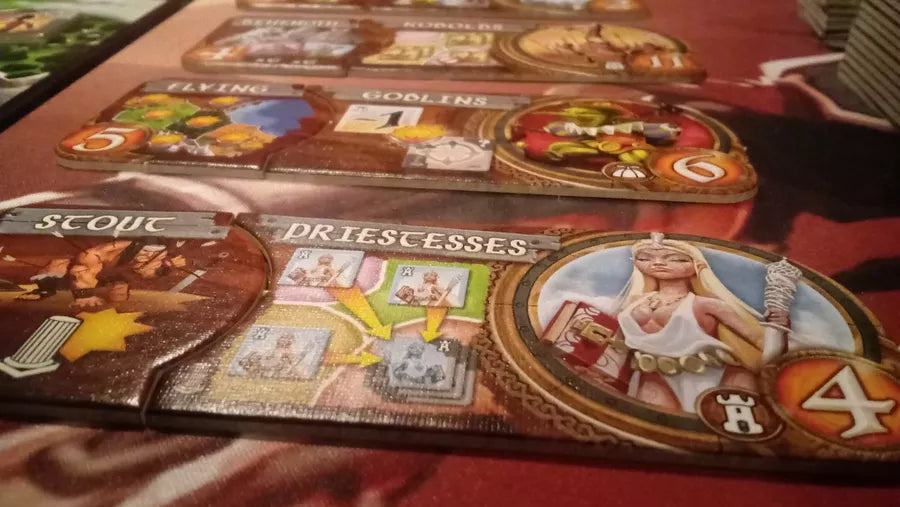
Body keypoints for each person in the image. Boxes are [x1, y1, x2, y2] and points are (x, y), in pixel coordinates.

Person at [613, 233, 788, 413]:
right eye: (645, 258)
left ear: (698, 266)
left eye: (676, 259)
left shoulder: (707, 304)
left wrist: (778, 324)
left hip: (715, 374)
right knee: (657, 418)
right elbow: (616, 343)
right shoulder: (633, 302)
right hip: (654, 374)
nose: (658, 263)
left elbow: (759, 341)